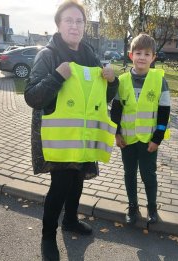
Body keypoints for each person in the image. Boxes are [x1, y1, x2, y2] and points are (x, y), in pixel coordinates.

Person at [24, 0, 118, 260]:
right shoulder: (48, 54)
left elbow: (104, 95)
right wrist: (56, 76)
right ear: (58, 24)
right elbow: (32, 97)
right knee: (61, 184)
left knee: (78, 180)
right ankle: (47, 235)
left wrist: (113, 82)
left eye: (79, 21)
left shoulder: (89, 54)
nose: (74, 26)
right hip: (60, 135)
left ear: (84, 26)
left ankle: (71, 221)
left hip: (84, 135)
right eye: (69, 20)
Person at [110, 33, 170, 225]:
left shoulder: (159, 81)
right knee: (129, 174)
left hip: (148, 142)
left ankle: (152, 207)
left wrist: (157, 139)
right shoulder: (122, 81)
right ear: (131, 55)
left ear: (153, 57)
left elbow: (164, 112)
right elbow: (116, 110)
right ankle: (133, 206)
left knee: (148, 175)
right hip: (127, 141)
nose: (142, 57)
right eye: (138, 53)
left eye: (147, 53)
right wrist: (117, 133)